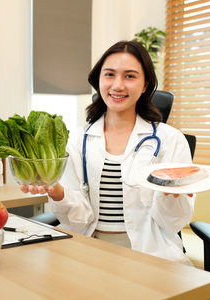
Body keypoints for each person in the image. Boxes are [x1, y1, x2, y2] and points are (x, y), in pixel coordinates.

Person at [21, 40, 195, 265]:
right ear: (98, 81)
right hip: (89, 246)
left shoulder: (170, 140)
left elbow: (172, 222)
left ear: (145, 85)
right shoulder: (77, 139)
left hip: (148, 250)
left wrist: (172, 197)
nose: (118, 85)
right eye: (110, 74)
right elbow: (79, 218)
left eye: (130, 76)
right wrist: (56, 191)